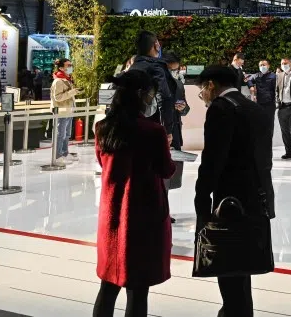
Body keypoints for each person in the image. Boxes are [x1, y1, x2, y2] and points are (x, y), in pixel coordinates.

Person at [93, 70, 176, 317]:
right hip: (144, 216)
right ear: (142, 94)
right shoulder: (153, 131)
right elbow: (166, 169)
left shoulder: (103, 128)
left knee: (107, 287)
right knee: (138, 292)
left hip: (112, 214)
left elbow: (102, 162)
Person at [195, 66, 274, 317]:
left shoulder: (221, 109)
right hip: (255, 197)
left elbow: (212, 161)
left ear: (210, 85)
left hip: (228, 200)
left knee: (227, 265)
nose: (203, 96)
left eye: (202, 90)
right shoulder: (256, 109)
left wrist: (201, 199)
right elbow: (265, 160)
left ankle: (233, 311)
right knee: (243, 265)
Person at [129, 31, 175, 145]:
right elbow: (164, 97)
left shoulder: (132, 68)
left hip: (130, 125)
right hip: (150, 126)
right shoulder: (155, 68)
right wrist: (167, 130)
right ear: (156, 45)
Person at [50, 57, 80, 166]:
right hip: (61, 111)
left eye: (71, 65)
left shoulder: (67, 79)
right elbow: (58, 97)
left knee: (66, 134)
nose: (71, 67)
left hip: (69, 109)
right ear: (62, 68)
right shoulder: (58, 81)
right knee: (60, 134)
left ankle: (65, 153)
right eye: (68, 65)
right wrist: (71, 92)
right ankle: (58, 156)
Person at [165, 55, 189, 151]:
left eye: (176, 70)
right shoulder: (155, 83)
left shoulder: (179, 85)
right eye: (171, 69)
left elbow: (186, 109)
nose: (173, 72)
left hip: (176, 131)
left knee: (177, 163)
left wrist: (183, 108)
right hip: (160, 130)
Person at [248, 59, 277, 137]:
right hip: (259, 103)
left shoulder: (274, 76)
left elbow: (277, 89)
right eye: (260, 65)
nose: (262, 66)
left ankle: (269, 142)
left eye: (264, 65)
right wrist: (251, 86)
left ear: (268, 66)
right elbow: (249, 80)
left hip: (270, 103)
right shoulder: (256, 75)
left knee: (270, 124)